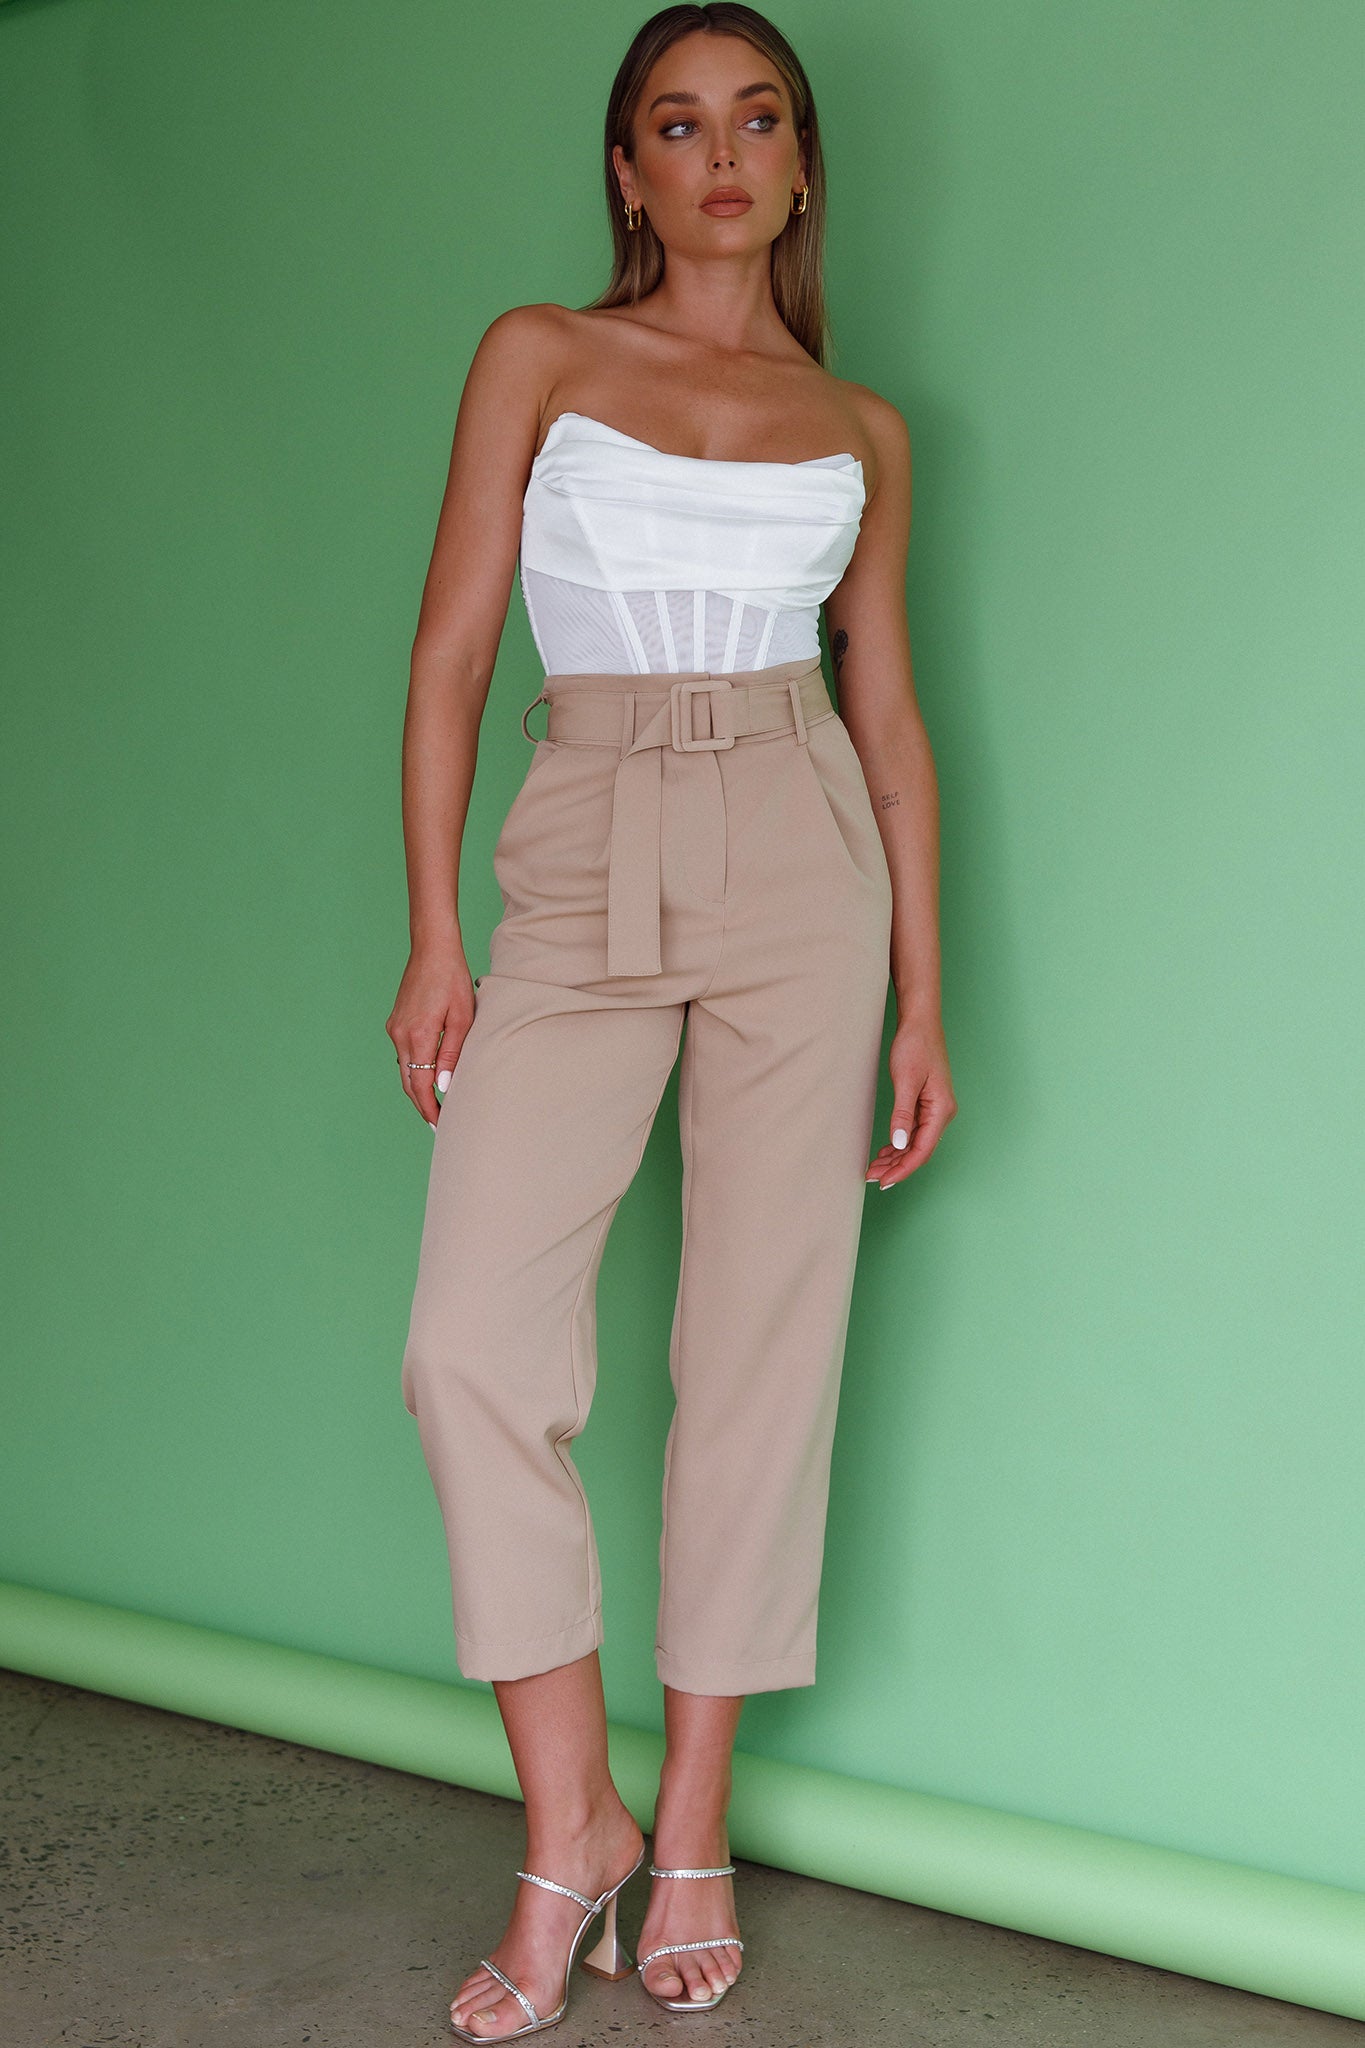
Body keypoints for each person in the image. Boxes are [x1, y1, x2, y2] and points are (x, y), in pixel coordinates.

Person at [387, 4, 956, 2036]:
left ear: (798, 168)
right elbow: (452, 655)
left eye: (757, 119)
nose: (721, 154)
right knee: (468, 1348)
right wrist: (433, 934)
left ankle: (689, 1822)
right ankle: (576, 1819)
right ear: (626, 170)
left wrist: (923, 992)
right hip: (584, 832)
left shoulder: (862, 426)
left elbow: (886, 717)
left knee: (756, 1355)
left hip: (805, 858)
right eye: (677, 123)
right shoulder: (537, 354)